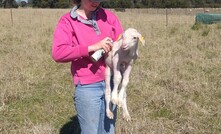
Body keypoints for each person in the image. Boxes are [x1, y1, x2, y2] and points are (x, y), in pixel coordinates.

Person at [52, 0, 123, 133]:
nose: (96, 2)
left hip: (111, 82)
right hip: (88, 86)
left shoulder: (110, 17)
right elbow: (58, 53)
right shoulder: (67, 21)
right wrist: (91, 48)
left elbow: (120, 40)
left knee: (109, 130)